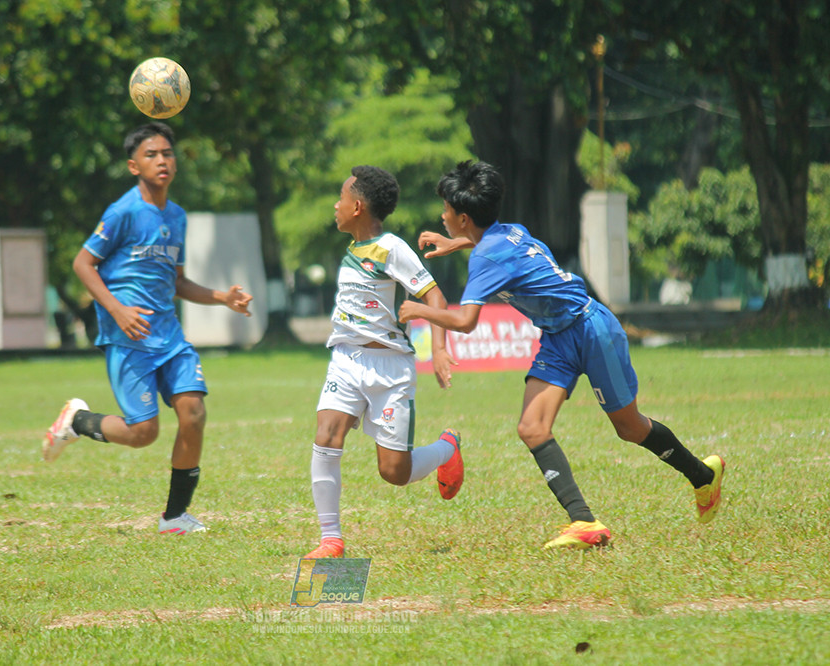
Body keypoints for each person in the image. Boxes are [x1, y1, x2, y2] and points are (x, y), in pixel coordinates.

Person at [399, 160, 725, 550]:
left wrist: (419, 310)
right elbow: (491, 245)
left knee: (629, 428)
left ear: (464, 218)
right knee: (531, 428)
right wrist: (456, 242)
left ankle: (703, 477)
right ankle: (584, 522)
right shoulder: (510, 231)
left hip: (592, 330)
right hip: (558, 337)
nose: (443, 215)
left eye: (447, 210)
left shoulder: (485, 258)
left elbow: (466, 321)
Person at [43, 122, 253, 536]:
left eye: (168, 153)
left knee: (193, 412)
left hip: (169, 336)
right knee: (143, 433)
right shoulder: (122, 212)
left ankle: (174, 517)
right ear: (133, 166)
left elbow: (177, 281)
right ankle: (78, 421)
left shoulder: (177, 216)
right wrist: (118, 310)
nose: (162, 161)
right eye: (151, 155)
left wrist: (221, 297)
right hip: (129, 337)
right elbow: (83, 264)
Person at [303, 165, 464, 560]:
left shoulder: (392, 248)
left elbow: (435, 298)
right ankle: (331, 539)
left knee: (394, 472)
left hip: (390, 370)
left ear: (357, 207)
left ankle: (446, 448)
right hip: (346, 361)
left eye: (341, 198)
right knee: (326, 435)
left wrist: (438, 349)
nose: (335, 205)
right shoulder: (352, 251)